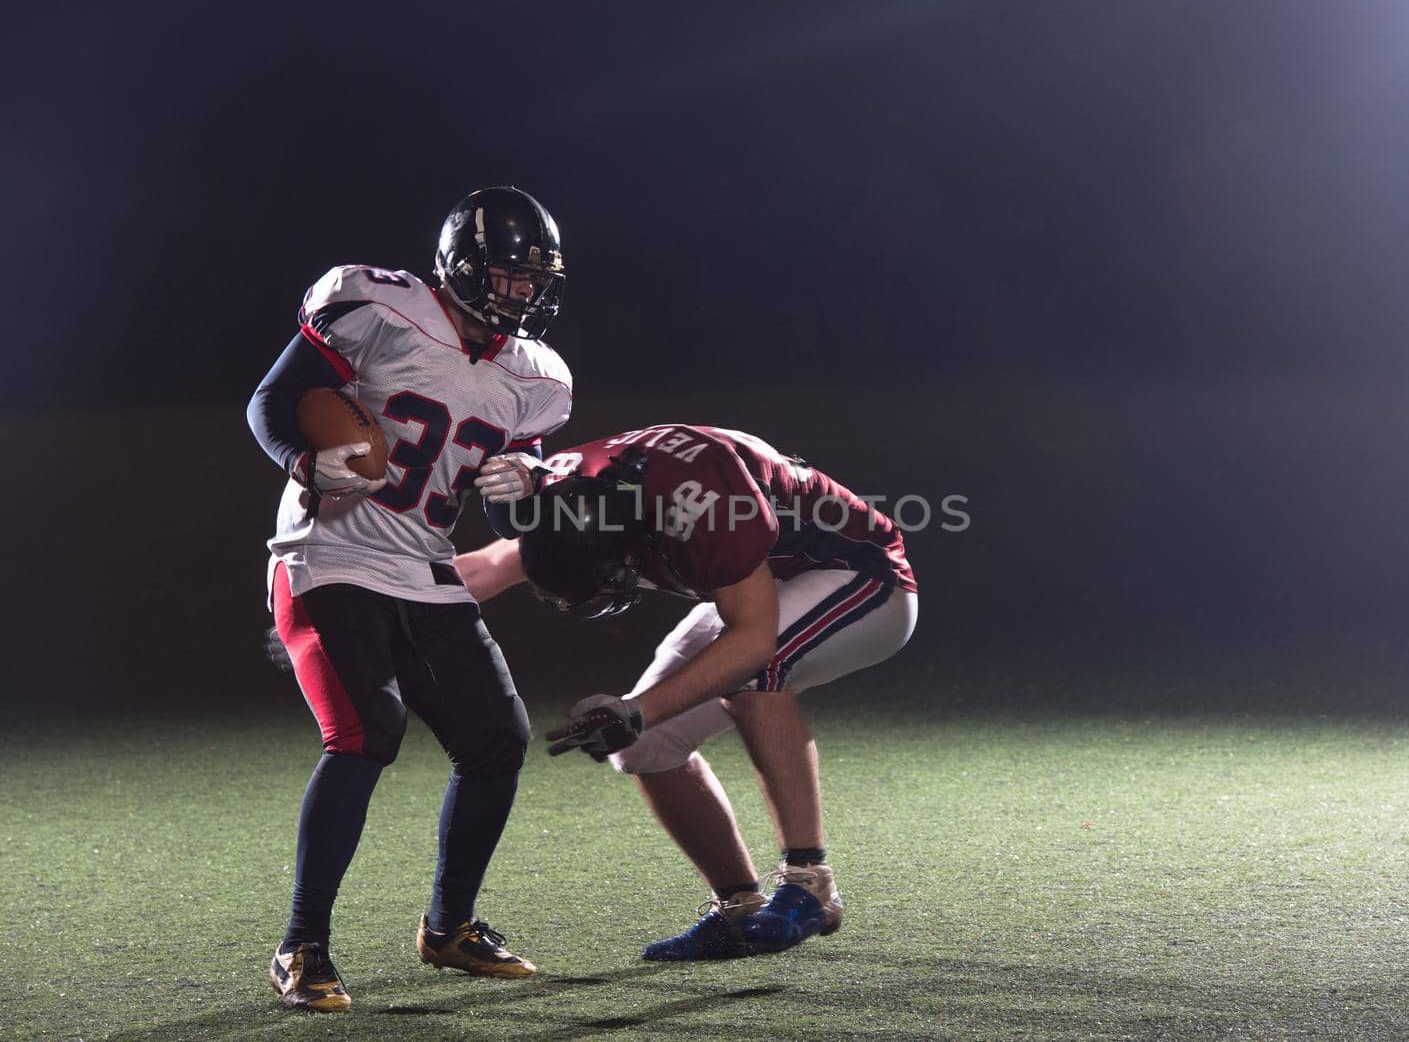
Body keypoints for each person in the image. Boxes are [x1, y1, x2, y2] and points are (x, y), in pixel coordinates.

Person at [245, 186, 573, 1011]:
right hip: (326, 550)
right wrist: (298, 463)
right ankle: (302, 944)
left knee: (498, 738)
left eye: (535, 279)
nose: (522, 293)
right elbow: (273, 402)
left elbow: (502, 504)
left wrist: (521, 483)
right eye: (508, 275)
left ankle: (449, 926)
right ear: (462, 265)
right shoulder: (378, 306)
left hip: (423, 563)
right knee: (366, 729)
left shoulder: (533, 378)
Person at [454, 424, 918, 960]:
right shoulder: (571, 500)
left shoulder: (704, 498)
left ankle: (810, 881)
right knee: (644, 748)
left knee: (747, 676)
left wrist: (636, 708)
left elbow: (751, 642)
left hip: (854, 577)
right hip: (751, 586)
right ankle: (739, 909)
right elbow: (486, 568)